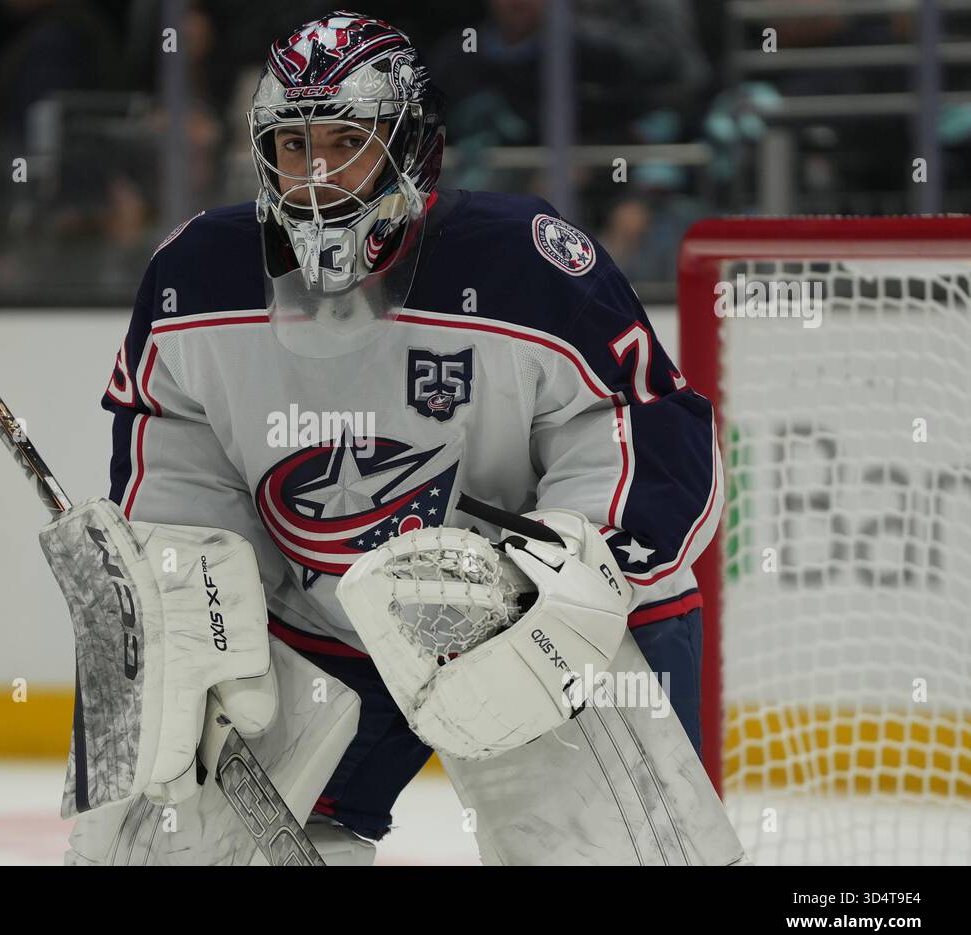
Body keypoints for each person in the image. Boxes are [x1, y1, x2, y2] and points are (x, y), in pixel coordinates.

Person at [74, 11, 731, 866]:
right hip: (321, 624)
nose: (315, 175)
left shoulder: (523, 262)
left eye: (346, 141)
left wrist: (578, 575)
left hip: (530, 622)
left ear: (411, 145)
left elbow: (645, 428)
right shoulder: (193, 277)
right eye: (293, 146)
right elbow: (176, 468)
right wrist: (186, 603)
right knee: (163, 851)